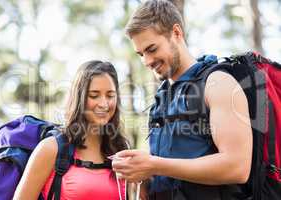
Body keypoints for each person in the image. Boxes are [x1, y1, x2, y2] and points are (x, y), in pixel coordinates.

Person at [112, 0, 253, 199]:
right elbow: (169, 176)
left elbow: (237, 167)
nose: (147, 61)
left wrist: (154, 164)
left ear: (176, 33)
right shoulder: (162, 98)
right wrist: (139, 175)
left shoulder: (218, 83)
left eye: (152, 49)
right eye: (140, 54)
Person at [13, 60, 129, 200]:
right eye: (94, 95)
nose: (104, 104)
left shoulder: (120, 151)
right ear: (79, 98)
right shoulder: (51, 149)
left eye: (110, 95)